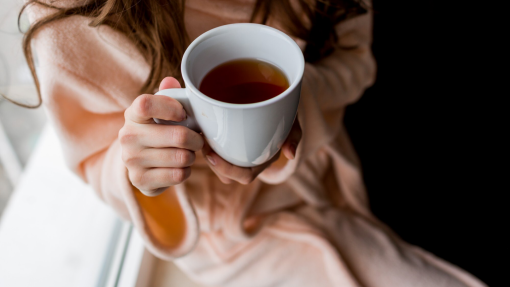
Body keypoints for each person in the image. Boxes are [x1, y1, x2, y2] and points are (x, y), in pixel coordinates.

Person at [19, 0, 485, 286]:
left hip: (328, 169)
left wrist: (292, 110)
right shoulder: (67, 18)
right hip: (228, 237)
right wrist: (144, 172)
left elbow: (356, 62)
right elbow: (94, 154)